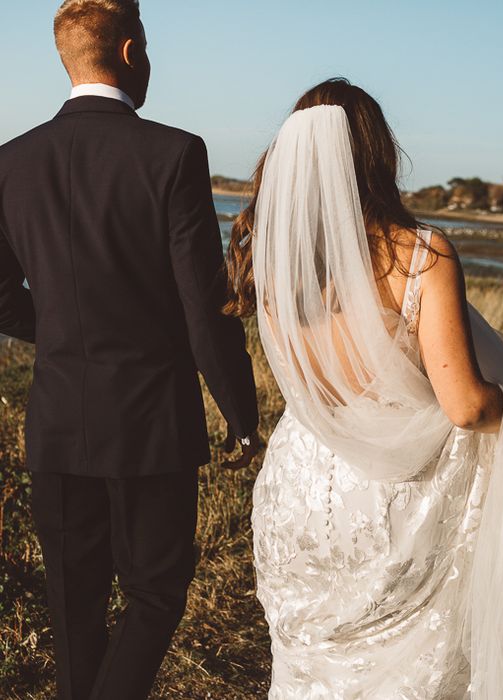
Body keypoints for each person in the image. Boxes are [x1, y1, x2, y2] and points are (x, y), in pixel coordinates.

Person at [225, 78, 503, 698]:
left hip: (300, 486)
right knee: (423, 660)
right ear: (376, 154)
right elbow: (464, 406)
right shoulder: (421, 254)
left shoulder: (274, 256)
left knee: (315, 666)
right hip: (395, 495)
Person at [0, 1, 260, 698]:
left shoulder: (11, 160)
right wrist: (241, 416)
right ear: (129, 53)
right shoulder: (174, 153)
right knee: (157, 592)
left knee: (72, 608)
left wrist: (62, 332)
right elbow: (202, 308)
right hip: (150, 425)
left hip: (57, 422)